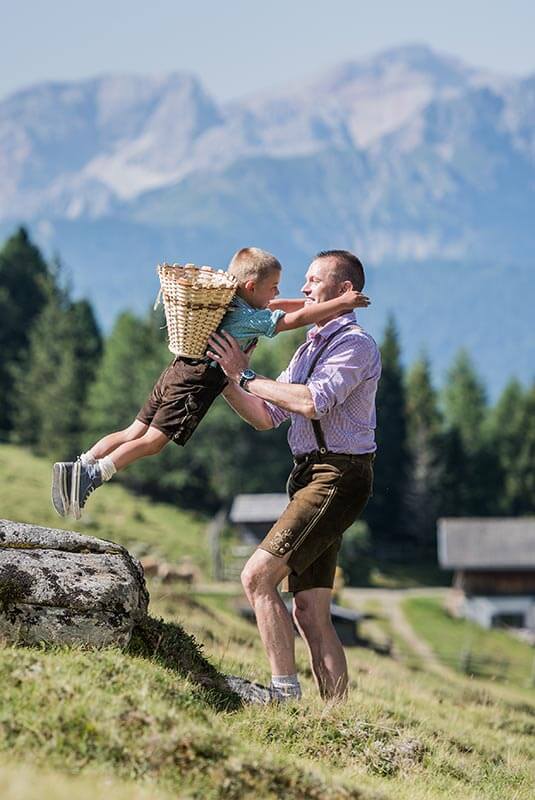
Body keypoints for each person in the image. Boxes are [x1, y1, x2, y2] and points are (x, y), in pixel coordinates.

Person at [51, 247, 370, 519]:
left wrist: (312, 305)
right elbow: (292, 319)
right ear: (251, 286)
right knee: (152, 441)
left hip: (178, 369)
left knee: (132, 431)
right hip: (197, 382)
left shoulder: (231, 303)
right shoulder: (250, 318)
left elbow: (280, 307)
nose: (278, 294)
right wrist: (342, 304)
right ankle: (94, 475)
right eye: (273, 287)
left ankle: (79, 465)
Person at [207, 249, 381, 703]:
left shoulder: (355, 345)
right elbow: (267, 415)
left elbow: (311, 402)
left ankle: (283, 694)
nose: (302, 290)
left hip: (338, 475)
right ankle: (337, 714)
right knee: (309, 610)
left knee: (257, 578)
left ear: (344, 291)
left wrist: (245, 376)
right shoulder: (309, 346)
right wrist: (225, 378)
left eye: (313, 280)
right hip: (311, 476)